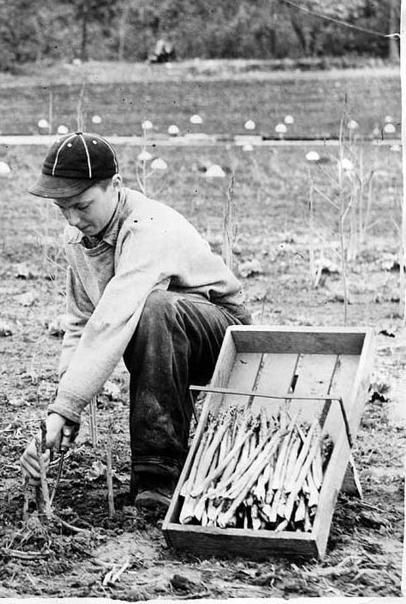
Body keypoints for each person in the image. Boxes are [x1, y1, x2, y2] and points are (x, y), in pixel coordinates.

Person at [19, 132, 251, 511]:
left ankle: (158, 473)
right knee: (151, 311)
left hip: (225, 335)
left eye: (82, 205)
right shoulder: (77, 235)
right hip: (162, 338)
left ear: (115, 186)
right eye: (63, 210)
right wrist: (60, 415)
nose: (74, 219)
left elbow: (114, 318)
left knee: (152, 307)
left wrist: (67, 407)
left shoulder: (149, 227)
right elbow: (82, 322)